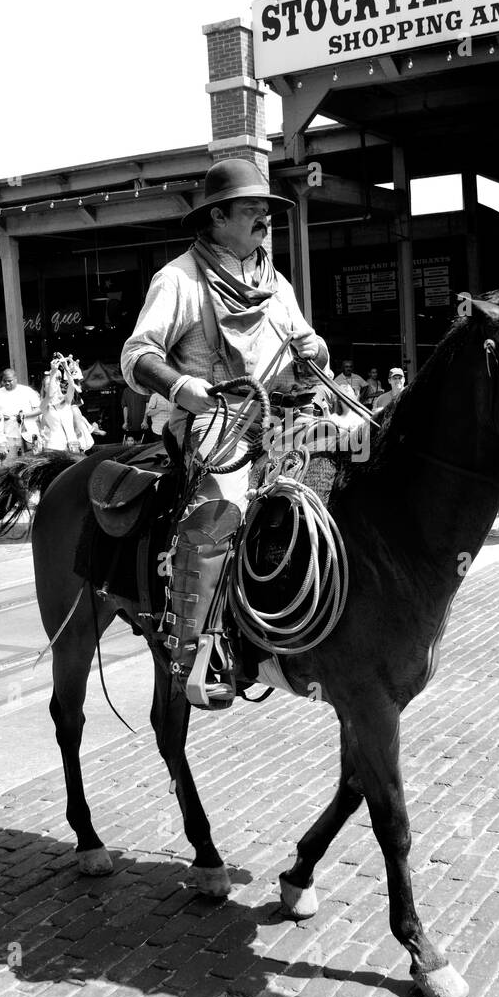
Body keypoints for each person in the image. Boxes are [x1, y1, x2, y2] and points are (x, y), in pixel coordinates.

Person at [121, 157, 329, 702]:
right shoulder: (178, 279)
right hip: (210, 420)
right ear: (216, 217)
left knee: (348, 465)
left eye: (267, 210)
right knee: (222, 507)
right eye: (253, 209)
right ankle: (195, 651)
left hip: (279, 415)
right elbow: (137, 353)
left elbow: (308, 347)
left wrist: (315, 351)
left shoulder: (275, 281)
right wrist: (180, 386)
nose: (265, 218)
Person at [0, 369, 42, 462]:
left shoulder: (27, 391)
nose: (7, 383)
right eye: (4, 381)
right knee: (10, 463)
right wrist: (0, 416)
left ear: (15, 379)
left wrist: (25, 415)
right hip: (7, 435)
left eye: (9, 381)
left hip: (28, 434)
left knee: (31, 461)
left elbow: (40, 409)